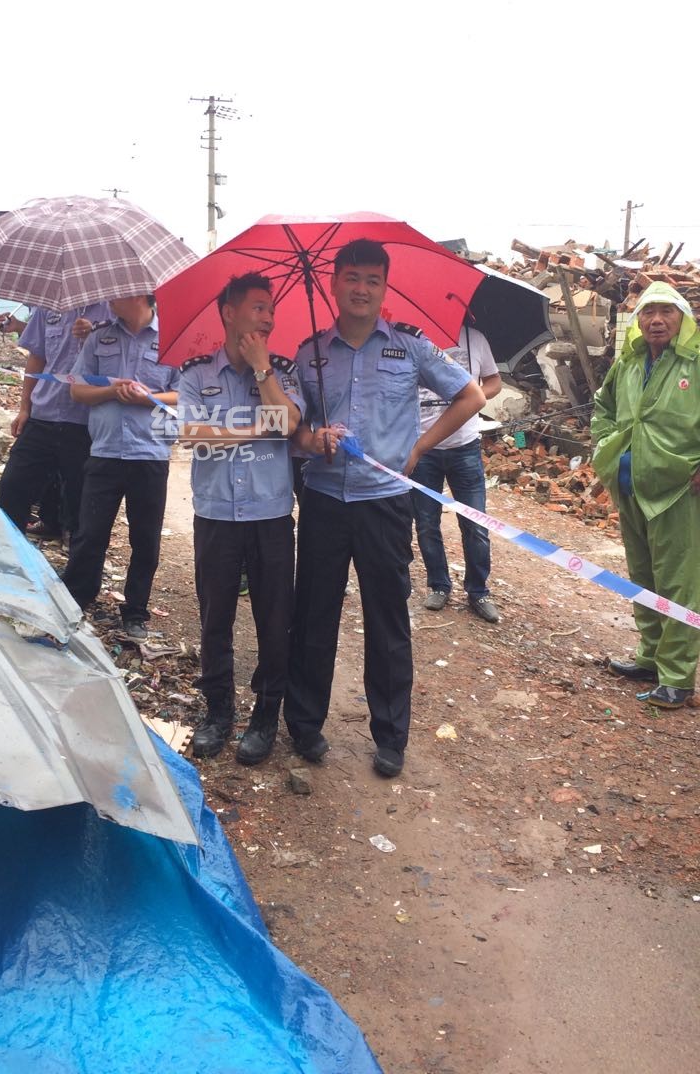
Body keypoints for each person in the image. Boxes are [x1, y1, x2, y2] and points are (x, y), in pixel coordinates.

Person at [284, 238, 486, 777]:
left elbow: (472, 396)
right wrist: (313, 437)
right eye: (352, 277)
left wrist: (419, 447)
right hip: (325, 499)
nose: (362, 288)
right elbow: (290, 424)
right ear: (333, 283)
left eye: (373, 279)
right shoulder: (310, 353)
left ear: (384, 286)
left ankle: (391, 734)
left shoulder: (411, 347)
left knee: (388, 617)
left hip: (387, 503)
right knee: (314, 612)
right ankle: (304, 724)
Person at [178, 273, 304, 765]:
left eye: (270, 309)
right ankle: (218, 712)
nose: (267, 318)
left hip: (271, 514)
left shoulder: (283, 372)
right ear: (228, 313)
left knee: (275, 621)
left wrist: (260, 371)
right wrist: (257, 425)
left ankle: (266, 715)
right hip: (216, 514)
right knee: (216, 618)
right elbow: (192, 435)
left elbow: (291, 425)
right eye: (257, 307)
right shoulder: (195, 374)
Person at [592, 281, 700, 709]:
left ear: (682, 319)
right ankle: (650, 657)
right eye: (648, 312)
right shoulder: (631, 362)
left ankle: (677, 678)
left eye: (666, 312)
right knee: (642, 578)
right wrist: (604, 443)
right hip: (629, 486)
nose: (656, 320)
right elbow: (603, 406)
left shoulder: (694, 363)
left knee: (678, 585)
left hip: (676, 490)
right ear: (638, 321)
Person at [62, 296, 179, 639]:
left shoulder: (170, 338)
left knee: (145, 538)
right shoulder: (100, 338)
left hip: (150, 451)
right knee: (90, 532)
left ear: (140, 293)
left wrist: (148, 397)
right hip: (106, 449)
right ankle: (76, 598)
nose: (109, 299)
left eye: (118, 293)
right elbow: (78, 390)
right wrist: (111, 390)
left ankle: (136, 611)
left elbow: (187, 393)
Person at [412, 321, 503, 622]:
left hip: (464, 446)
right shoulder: (413, 340)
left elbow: (494, 382)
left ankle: (478, 590)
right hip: (423, 448)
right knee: (426, 523)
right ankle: (438, 584)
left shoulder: (474, 339)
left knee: (475, 524)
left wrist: (469, 396)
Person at [0, 303, 110, 541]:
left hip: (86, 422)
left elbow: (124, 367)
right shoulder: (47, 308)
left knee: (82, 500)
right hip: (44, 414)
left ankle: (79, 569)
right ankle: (10, 555)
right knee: (12, 488)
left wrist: (96, 336)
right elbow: (37, 358)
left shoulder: (114, 309)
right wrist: (24, 407)